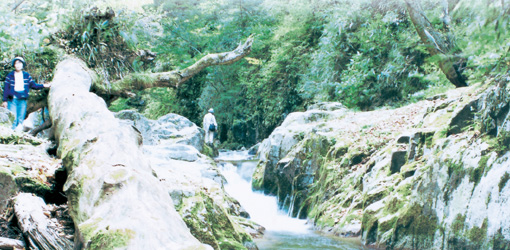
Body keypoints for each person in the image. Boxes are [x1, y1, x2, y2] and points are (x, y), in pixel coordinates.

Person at [2, 57, 50, 130]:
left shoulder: (26, 75)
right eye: (16, 63)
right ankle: (11, 135)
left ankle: (18, 136)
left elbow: (33, 85)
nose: (18, 65)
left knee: (20, 119)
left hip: (22, 100)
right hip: (12, 100)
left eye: (20, 63)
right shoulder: (10, 76)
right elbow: (6, 88)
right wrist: (4, 100)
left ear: (22, 65)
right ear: (14, 65)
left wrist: (44, 85)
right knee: (13, 119)